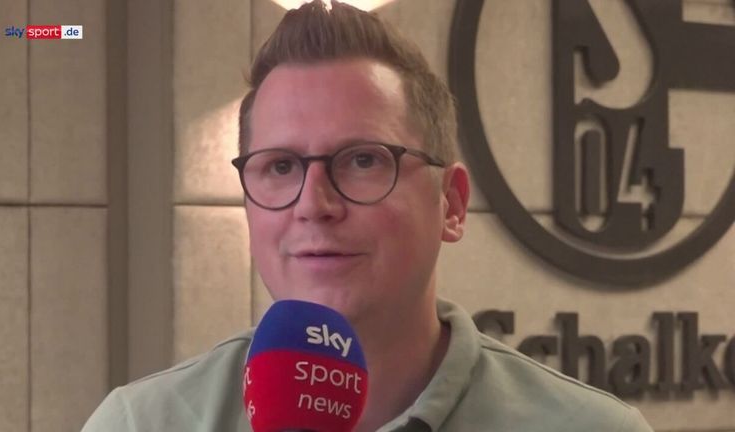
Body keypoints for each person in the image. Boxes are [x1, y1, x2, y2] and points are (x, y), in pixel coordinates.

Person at [82, 1, 654, 431]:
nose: (313, 204)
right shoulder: (140, 424)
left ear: (452, 204)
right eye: (280, 166)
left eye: (362, 160)